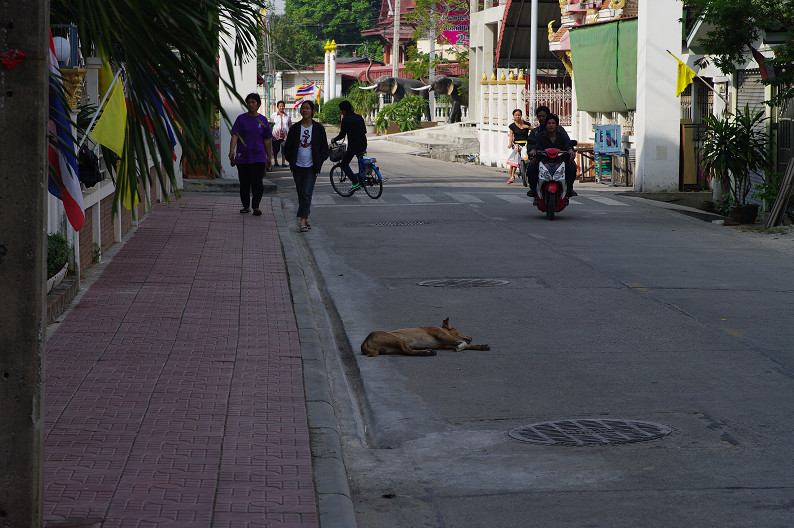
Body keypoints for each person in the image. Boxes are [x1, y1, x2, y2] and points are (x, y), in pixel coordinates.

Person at [284, 100, 330, 232]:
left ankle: (302, 221)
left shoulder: (318, 129)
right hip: (298, 167)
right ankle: (307, 217)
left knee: (306, 193)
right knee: (301, 193)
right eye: (303, 108)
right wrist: (291, 160)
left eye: (308, 108)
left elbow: (324, 150)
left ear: (312, 111)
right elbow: (287, 148)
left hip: (311, 167)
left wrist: (318, 162)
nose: (305, 110)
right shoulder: (295, 128)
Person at [229, 92, 274, 216]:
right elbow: (234, 135)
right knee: (244, 182)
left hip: (258, 156)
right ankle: (246, 205)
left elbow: (266, 139)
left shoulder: (263, 120)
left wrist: (269, 156)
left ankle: (256, 206)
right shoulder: (241, 119)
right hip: (242, 157)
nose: (251, 104)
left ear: (258, 104)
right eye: (248, 102)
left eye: (253, 102)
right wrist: (231, 150)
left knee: (257, 182)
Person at [529, 113, 577, 202]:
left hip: (560, 161)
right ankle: (533, 190)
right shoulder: (540, 136)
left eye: (553, 123)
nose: (551, 125)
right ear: (546, 125)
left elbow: (568, 145)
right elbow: (536, 146)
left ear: (556, 125)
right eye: (549, 123)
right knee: (531, 168)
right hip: (544, 161)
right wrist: (533, 151)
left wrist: (570, 151)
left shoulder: (562, 135)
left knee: (572, 168)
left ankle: (569, 190)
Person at [331, 100, 367, 190]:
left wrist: (334, 139)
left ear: (343, 110)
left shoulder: (345, 119)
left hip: (353, 146)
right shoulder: (359, 117)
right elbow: (365, 131)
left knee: (344, 164)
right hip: (363, 144)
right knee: (360, 160)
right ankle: (362, 177)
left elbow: (342, 135)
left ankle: (355, 182)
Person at [506, 108, 532, 184]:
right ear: (513, 116)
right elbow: (511, 136)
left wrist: (527, 127)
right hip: (517, 144)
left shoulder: (526, 124)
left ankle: (528, 169)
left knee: (526, 155)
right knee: (515, 155)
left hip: (525, 143)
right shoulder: (512, 126)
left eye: (519, 115)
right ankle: (512, 176)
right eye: (516, 115)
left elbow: (533, 129)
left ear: (521, 115)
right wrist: (510, 144)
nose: (517, 117)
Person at [270, 100, 291, 167]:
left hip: (285, 136)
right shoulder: (274, 115)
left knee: (284, 149)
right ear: (278, 107)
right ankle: (276, 162)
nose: (281, 107)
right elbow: (271, 125)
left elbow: (289, 125)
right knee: (275, 149)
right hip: (275, 136)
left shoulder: (287, 116)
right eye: (280, 106)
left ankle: (283, 162)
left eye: (283, 106)